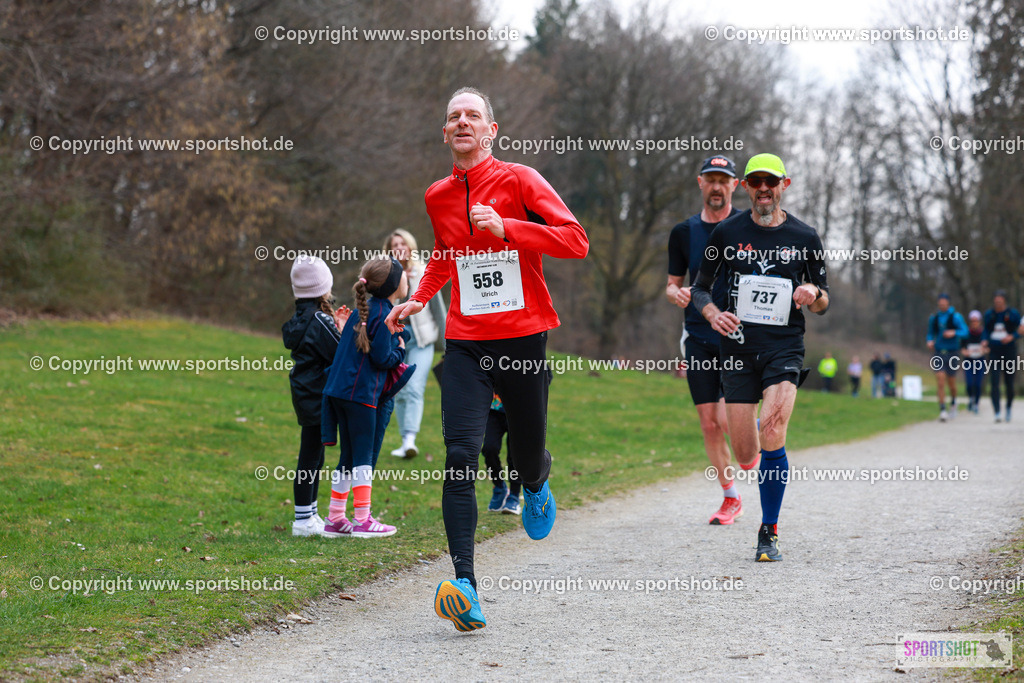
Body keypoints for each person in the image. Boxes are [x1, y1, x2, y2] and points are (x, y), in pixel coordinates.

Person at [385, 87, 588, 631]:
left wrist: (510, 229)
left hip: (522, 339)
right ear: (445, 133)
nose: (462, 122)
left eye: (473, 115)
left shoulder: (520, 180)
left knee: (524, 454)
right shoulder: (437, 195)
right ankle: (467, 584)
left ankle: (537, 480)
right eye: (453, 116)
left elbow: (576, 241)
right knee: (460, 452)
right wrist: (419, 298)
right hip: (467, 342)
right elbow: (447, 255)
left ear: (491, 130)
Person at [691, 152, 830, 563]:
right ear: (747, 188)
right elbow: (700, 287)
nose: (764, 189)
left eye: (772, 182)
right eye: (756, 182)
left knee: (773, 428)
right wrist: (712, 312)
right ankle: (753, 424)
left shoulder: (806, 238)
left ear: (784, 184)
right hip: (736, 348)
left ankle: (768, 531)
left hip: (784, 347)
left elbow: (824, 300)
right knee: (747, 453)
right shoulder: (727, 234)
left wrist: (812, 294)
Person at [666, 155, 745, 525]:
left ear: (735, 185)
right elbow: (672, 283)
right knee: (708, 422)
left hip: (739, 334)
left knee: (728, 416)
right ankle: (730, 498)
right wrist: (676, 293)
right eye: (710, 179)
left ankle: (752, 444)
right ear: (700, 183)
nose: (717, 187)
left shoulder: (747, 228)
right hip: (697, 333)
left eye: (723, 180)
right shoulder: (684, 232)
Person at [321, 257, 408, 538]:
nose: (407, 279)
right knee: (363, 456)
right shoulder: (384, 314)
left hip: (338, 390)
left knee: (348, 455)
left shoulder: (366, 309)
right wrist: (401, 349)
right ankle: (363, 519)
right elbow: (383, 359)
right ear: (394, 285)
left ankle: (335, 518)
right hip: (360, 395)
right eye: (403, 275)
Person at [282, 256, 345, 536]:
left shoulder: (300, 319)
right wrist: (341, 330)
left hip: (305, 392)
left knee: (314, 457)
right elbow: (339, 354)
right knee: (310, 457)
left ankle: (310, 514)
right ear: (323, 288)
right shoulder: (320, 320)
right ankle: (302, 521)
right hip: (318, 394)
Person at [384, 229, 447, 458]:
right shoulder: (386, 274)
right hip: (396, 339)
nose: (399, 247)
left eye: (403, 243)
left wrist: (447, 346)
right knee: (398, 390)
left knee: (413, 387)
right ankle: (404, 441)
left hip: (422, 341)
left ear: (410, 246)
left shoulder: (424, 273)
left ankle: (410, 440)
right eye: (395, 244)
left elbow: (439, 311)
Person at [927, 293, 968, 422]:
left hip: (952, 352)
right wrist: (929, 341)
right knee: (940, 380)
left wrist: (954, 332)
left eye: (944, 303)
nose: (942, 305)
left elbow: (965, 332)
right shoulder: (934, 318)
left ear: (948, 303)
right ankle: (942, 409)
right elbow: (930, 333)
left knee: (951, 383)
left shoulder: (956, 317)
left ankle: (954, 402)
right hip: (939, 352)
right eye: (940, 303)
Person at [982, 290, 1021, 423]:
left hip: (1009, 351)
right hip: (994, 351)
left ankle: (1008, 407)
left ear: (1004, 301)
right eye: (996, 301)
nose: (997, 303)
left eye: (1000, 301)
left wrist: (1012, 336)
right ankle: (997, 412)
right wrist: (984, 340)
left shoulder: (1013, 314)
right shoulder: (989, 314)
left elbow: (1020, 330)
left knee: (1009, 383)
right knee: (994, 381)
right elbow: (986, 330)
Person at [481, 392, 522, 515]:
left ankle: (514, 495)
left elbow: (545, 377)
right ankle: (499, 487)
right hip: (494, 409)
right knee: (489, 449)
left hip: (519, 411)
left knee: (514, 455)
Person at [962, 310, 986, 414]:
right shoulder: (966, 333)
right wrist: (966, 352)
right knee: (969, 383)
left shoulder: (984, 333)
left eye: (976, 321)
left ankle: (976, 403)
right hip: (968, 361)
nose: (974, 323)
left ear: (979, 321)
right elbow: (962, 348)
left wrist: (983, 350)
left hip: (980, 361)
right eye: (972, 321)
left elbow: (988, 348)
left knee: (978, 383)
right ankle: (971, 398)